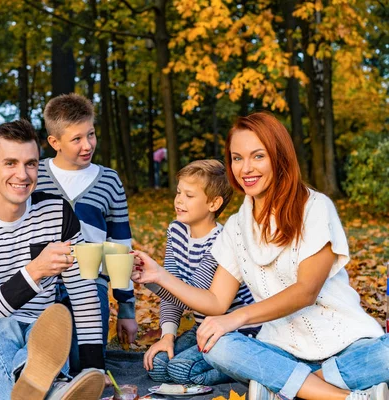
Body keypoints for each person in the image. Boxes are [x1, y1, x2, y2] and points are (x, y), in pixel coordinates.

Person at [132, 112, 389, 400]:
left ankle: (288, 386)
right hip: (279, 348)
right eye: (237, 158)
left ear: (278, 157)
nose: (245, 168)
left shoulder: (315, 207)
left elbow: (306, 291)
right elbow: (216, 301)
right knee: (219, 345)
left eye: (257, 156)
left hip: (347, 344)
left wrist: (237, 319)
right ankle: (345, 395)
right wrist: (158, 275)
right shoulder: (236, 227)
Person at [0, 120, 106, 400]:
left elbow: (83, 294)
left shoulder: (57, 213)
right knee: (4, 328)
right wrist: (35, 271)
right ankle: (55, 388)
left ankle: (44, 390)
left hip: (40, 338)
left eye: (31, 164)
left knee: (50, 329)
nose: (23, 174)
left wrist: (95, 369)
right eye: (11, 163)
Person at [36, 93, 138, 371]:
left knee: (84, 364)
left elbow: (120, 247)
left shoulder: (109, 181)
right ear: (54, 142)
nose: (88, 145)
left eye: (91, 134)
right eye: (77, 139)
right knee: (48, 363)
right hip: (41, 286)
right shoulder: (34, 176)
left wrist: (126, 309)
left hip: (91, 286)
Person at [143, 160, 259, 386]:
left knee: (180, 370)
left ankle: (244, 370)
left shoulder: (220, 241)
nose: (179, 200)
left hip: (236, 331)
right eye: (178, 192)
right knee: (157, 365)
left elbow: (194, 297)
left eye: (189, 195)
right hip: (202, 326)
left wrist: (153, 278)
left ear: (214, 203)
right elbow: (173, 290)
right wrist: (167, 337)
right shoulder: (176, 231)